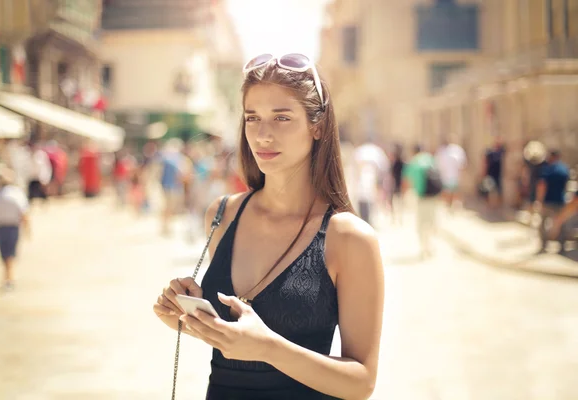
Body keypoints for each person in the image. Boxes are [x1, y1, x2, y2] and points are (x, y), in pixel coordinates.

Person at [154, 53, 384, 399]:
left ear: (317, 126)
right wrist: (190, 318)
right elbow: (235, 342)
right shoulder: (221, 215)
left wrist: (268, 348)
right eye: (252, 118)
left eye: (282, 118)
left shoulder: (349, 238)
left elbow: (362, 382)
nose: (263, 135)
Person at [0, 166, 30, 290]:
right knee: (9, 254)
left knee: (6, 254)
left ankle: (8, 278)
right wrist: (27, 229)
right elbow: (24, 213)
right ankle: (9, 279)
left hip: (0, 227)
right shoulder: (15, 193)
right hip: (10, 227)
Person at [403, 144, 440, 258]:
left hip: (422, 197)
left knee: (422, 224)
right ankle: (432, 245)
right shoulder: (430, 159)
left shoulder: (414, 162)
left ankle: (425, 248)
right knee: (432, 221)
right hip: (433, 196)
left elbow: (407, 180)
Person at [534, 149, 570, 253]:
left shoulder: (547, 169)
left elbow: (542, 185)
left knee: (543, 224)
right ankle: (562, 246)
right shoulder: (564, 169)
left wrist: (539, 200)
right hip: (560, 200)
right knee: (560, 224)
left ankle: (544, 245)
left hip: (548, 201)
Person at [435, 138, 466, 211]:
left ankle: (450, 206)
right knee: (451, 192)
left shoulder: (455, 150)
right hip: (451, 176)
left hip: (449, 176)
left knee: (451, 192)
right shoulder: (457, 150)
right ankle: (450, 206)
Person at [482, 136, 506, 208]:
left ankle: (499, 204)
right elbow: (485, 162)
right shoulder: (489, 152)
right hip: (490, 173)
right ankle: (488, 204)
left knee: (499, 189)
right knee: (488, 189)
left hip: (498, 174)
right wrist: (484, 172)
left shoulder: (501, 151)